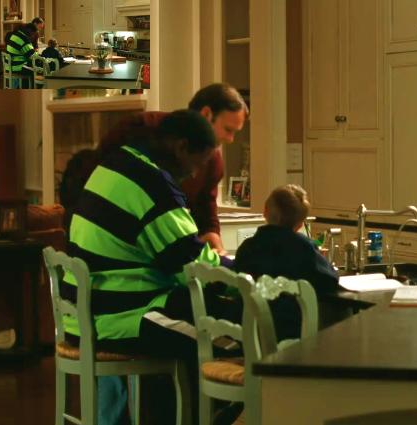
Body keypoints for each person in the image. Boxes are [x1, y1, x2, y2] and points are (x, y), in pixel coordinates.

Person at [64, 110, 242, 425]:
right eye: (197, 162)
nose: (194, 173)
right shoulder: (152, 185)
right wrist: (242, 275)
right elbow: (191, 266)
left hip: (87, 311)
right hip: (117, 318)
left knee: (200, 320)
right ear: (181, 147)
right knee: (228, 337)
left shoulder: (118, 162)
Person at [100, 83, 248, 255]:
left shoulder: (214, 162)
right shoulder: (139, 128)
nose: (230, 140)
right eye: (228, 130)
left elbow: (206, 208)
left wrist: (213, 236)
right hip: (119, 246)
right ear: (207, 114)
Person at [235, 184, 339, 340]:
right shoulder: (303, 248)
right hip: (290, 330)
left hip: (251, 329)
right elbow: (329, 280)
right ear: (299, 224)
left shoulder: (247, 247)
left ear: (265, 211)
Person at [4, 23, 37, 88]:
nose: (33, 36)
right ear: (30, 31)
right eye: (33, 34)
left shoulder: (14, 36)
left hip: (10, 66)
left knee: (33, 67)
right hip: (17, 67)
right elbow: (33, 56)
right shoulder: (23, 39)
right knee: (37, 70)